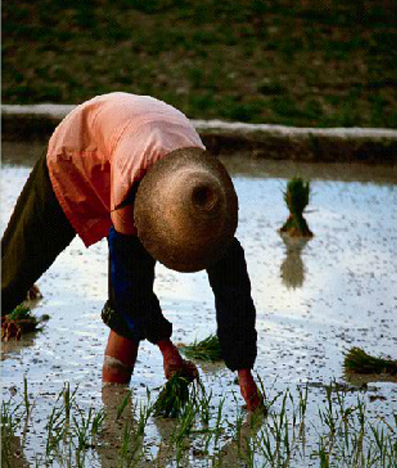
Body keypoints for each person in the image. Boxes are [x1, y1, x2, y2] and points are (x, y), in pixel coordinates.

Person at [1, 92, 262, 410]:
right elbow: (130, 286)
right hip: (78, 149)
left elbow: (233, 292)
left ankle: (113, 402)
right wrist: (169, 351)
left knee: (129, 296)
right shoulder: (131, 186)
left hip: (142, 136)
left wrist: (244, 372)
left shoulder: (205, 195)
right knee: (12, 274)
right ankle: (114, 401)